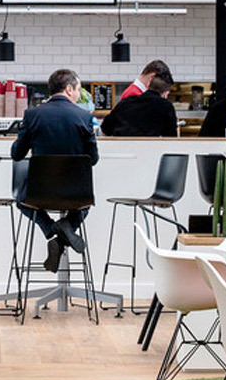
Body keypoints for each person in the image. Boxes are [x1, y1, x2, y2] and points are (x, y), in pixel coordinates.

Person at [10, 68, 99, 273]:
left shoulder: (32, 115)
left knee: (21, 200)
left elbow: (17, 154)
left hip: (39, 193)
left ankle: (52, 231)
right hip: (76, 194)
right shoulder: (85, 117)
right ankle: (64, 229)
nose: (78, 94)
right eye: (78, 89)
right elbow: (93, 159)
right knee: (84, 205)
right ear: (68, 89)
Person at [100, 61, 179, 137]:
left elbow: (106, 128)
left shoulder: (126, 102)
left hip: (122, 145)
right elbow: (171, 138)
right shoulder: (165, 106)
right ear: (151, 78)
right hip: (145, 145)